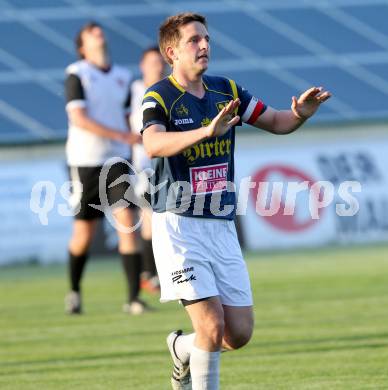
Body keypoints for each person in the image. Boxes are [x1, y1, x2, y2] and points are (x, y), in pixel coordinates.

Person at [141, 12, 331, 390]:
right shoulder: (158, 95)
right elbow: (152, 143)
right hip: (179, 225)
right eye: (194, 40)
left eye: (206, 38)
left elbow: (276, 121)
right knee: (211, 325)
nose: (205, 45)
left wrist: (299, 114)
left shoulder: (226, 89)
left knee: (238, 333)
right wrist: (205, 131)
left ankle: (181, 348)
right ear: (171, 51)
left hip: (221, 224)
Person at [64, 21, 148, 316]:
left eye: (99, 30)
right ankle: (74, 292)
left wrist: (139, 139)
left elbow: (126, 119)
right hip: (86, 159)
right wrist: (121, 135)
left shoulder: (123, 76)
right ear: (82, 46)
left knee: (128, 225)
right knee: (84, 233)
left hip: (118, 160)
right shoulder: (77, 74)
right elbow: (79, 119)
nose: (98, 33)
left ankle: (133, 299)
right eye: (90, 32)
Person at [129, 47, 166, 294]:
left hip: (166, 162)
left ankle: (152, 272)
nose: (157, 66)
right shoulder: (132, 90)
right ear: (142, 65)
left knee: (157, 219)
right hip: (142, 164)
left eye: (160, 62)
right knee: (151, 217)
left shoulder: (169, 90)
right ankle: (150, 273)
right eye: (152, 62)